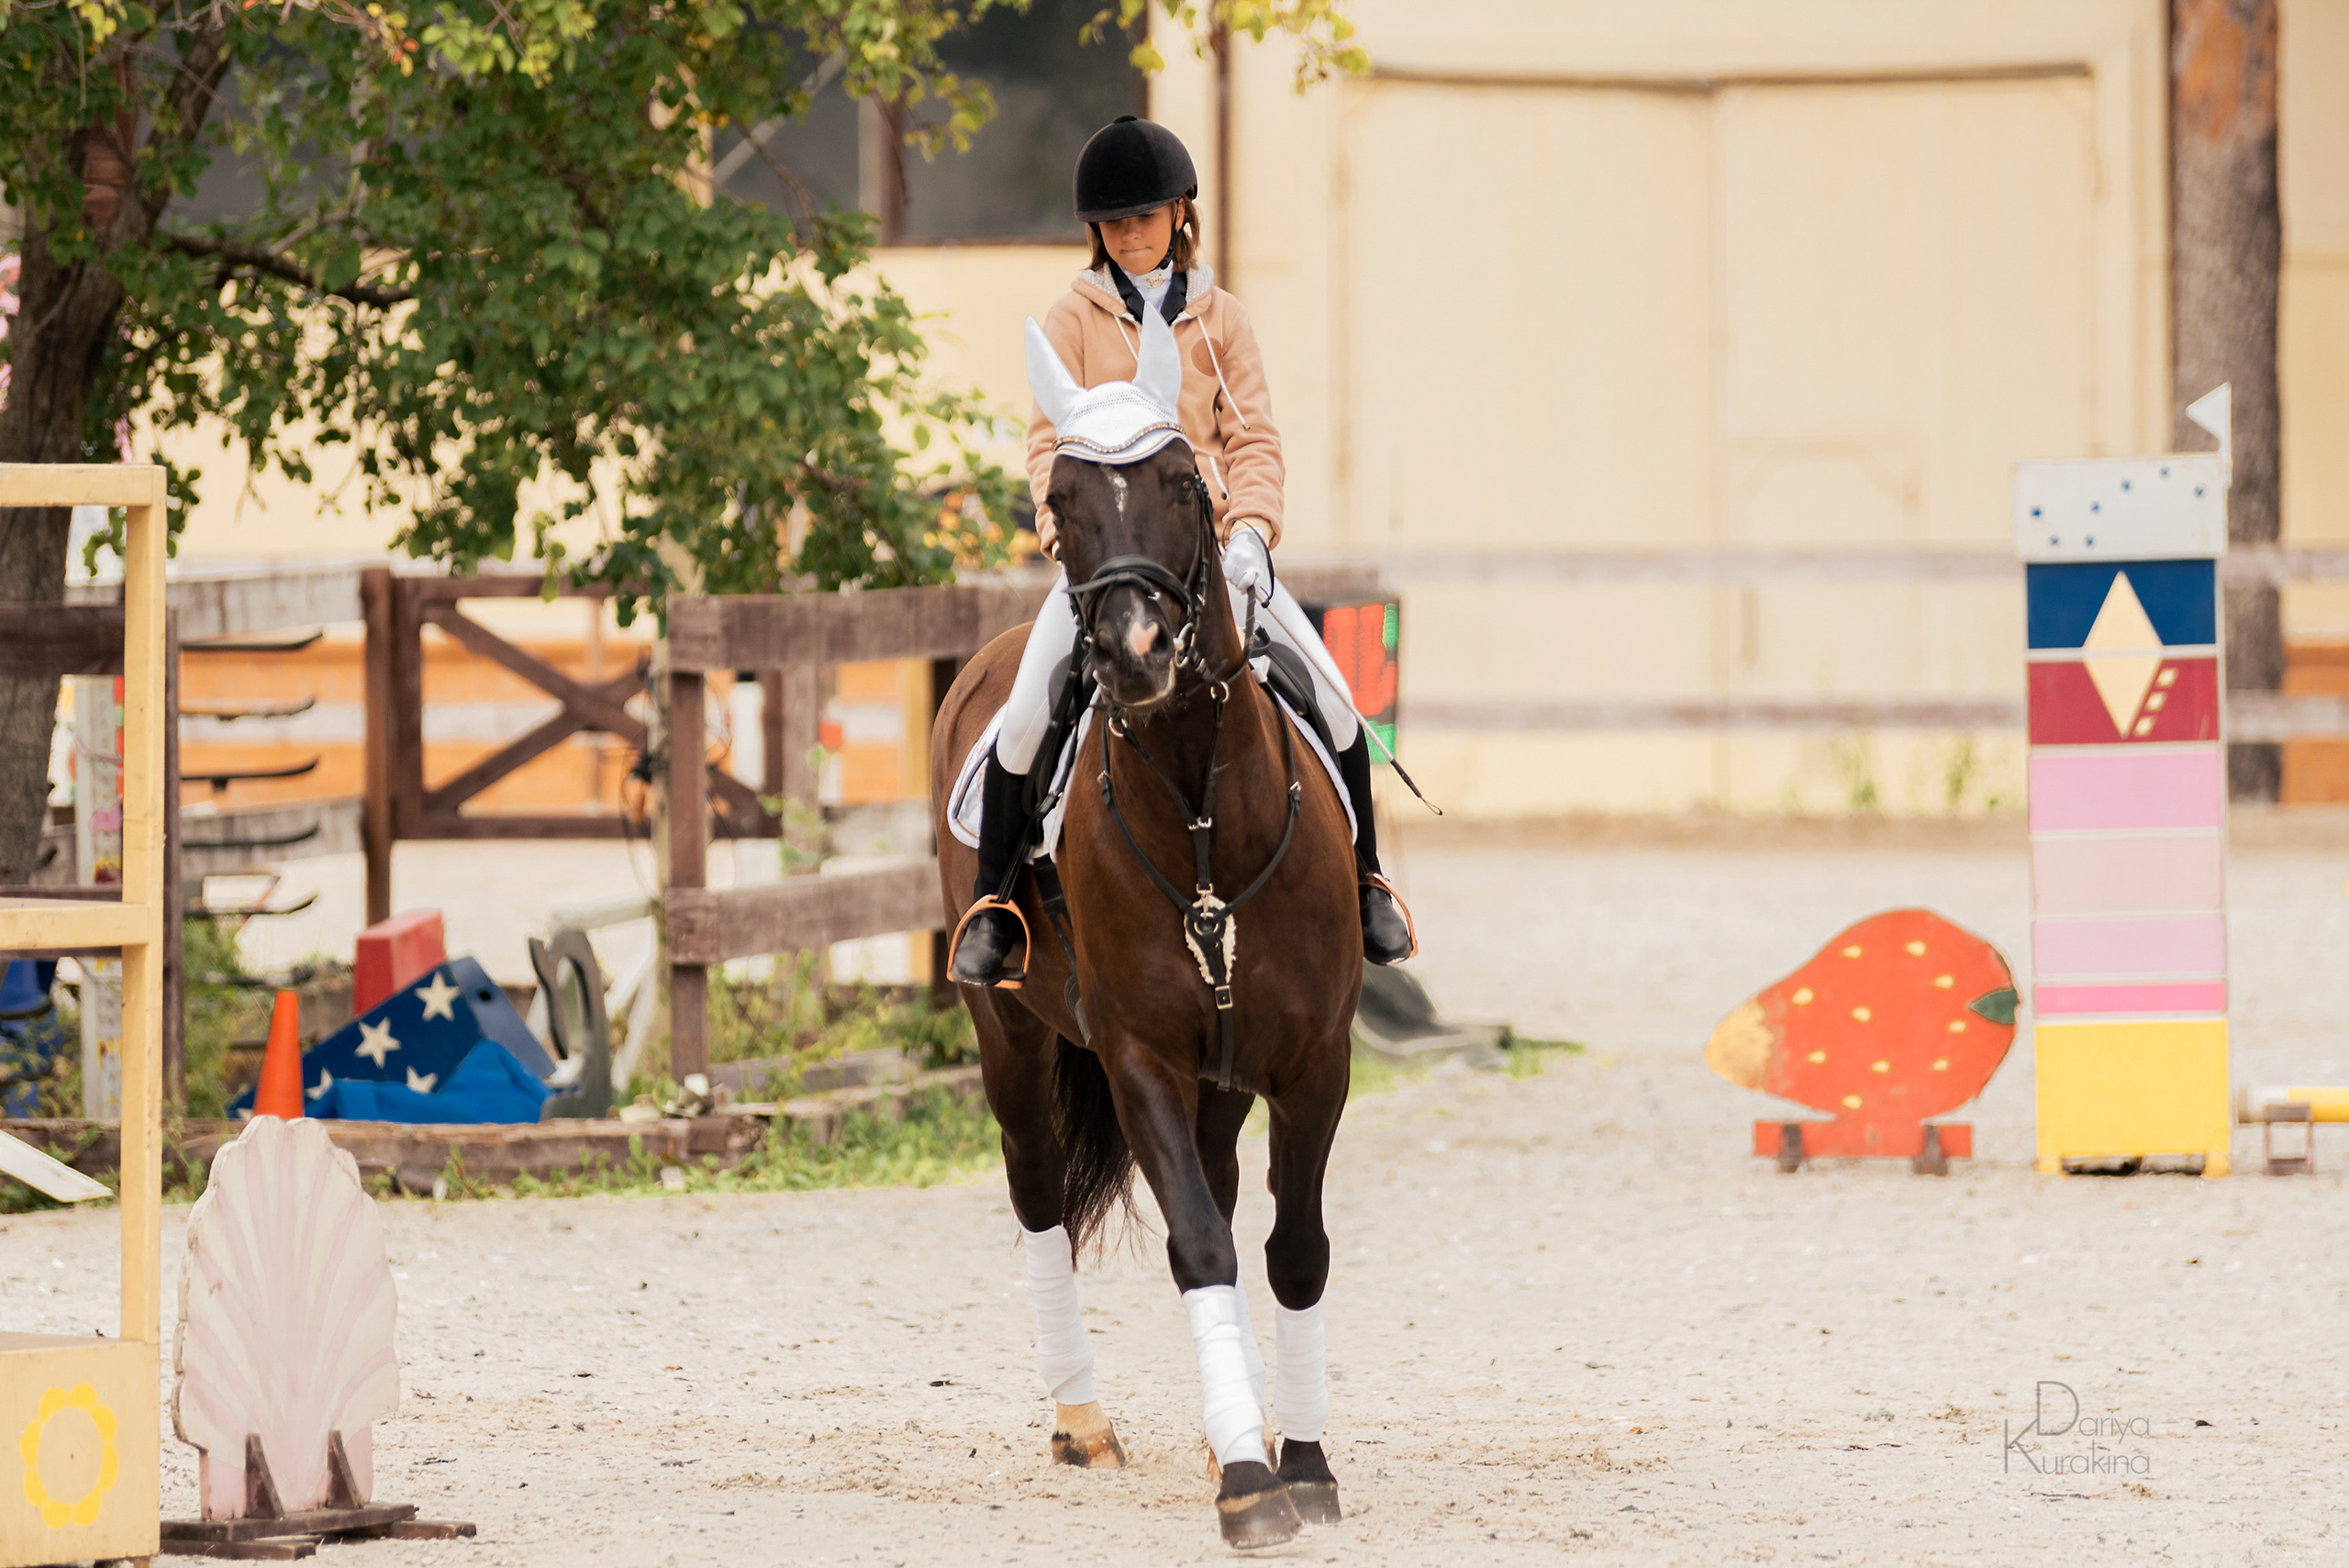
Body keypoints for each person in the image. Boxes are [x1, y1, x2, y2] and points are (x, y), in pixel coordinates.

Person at [950, 115, 1414, 988]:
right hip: (1107, 563)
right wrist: (1061, 531)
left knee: (1341, 702)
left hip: (1214, 559)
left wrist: (1251, 530)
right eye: (1117, 223)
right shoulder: (1071, 318)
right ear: (1098, 230)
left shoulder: (1220, 320)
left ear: (1178, 215)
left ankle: (1366, 883)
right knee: (1021, 717)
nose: (1132, 235)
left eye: (1147, 218)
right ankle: (997, 901)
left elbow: (1256, 442)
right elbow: (1048, 441)